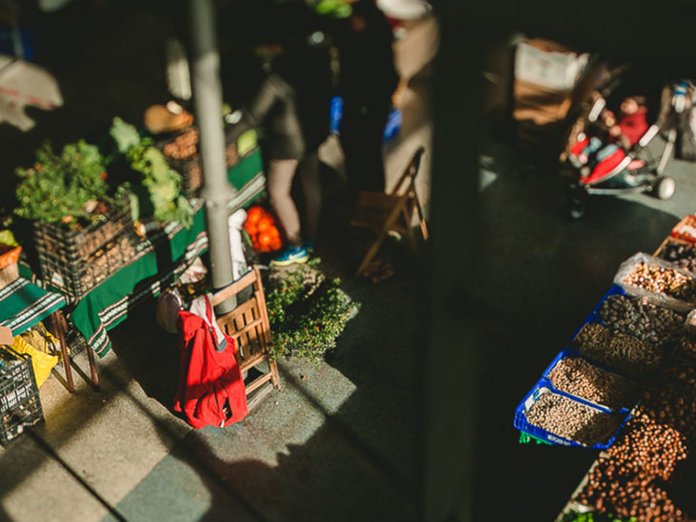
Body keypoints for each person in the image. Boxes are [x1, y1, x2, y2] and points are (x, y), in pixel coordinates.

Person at [224, 1, 333, 266]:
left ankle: (296, 245)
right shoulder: (315, 59)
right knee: (311, 183)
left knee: (278, 191)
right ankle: (313, 237)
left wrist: (223, 139)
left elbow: (252, 115)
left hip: (287, 142)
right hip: (313, 131)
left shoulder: (277, 76)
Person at [576, 95, 649, 168]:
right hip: (609, 139)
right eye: (624, 102)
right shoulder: (626, 115)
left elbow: (627, 131)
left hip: (619, 146)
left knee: (602, 154)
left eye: (628, 103)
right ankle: (583, 155)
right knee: (595, 142)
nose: (623, 105)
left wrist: (619, 130)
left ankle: (590, 165)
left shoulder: (640, 121)